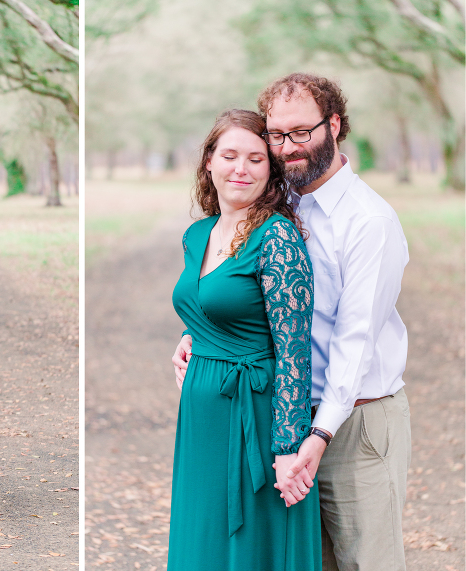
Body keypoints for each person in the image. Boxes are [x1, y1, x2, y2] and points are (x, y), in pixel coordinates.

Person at [174, 73, 411, 571]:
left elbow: (355, 342)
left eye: (301, 132)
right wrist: (200, 333)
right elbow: (246, 295)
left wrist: (315, 438)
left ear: (335, 125)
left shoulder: (369, 221)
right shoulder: (282, 200)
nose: (288, 146)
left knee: (366, 562)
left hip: (352, 423)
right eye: (277, 135)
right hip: (286, 415)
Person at [168, 108, 320, 570]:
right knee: (204, 541)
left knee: (253, 550)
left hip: (255, 412)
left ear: (271, 169)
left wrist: (288, 448)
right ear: (209, 162)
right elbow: (212, 303)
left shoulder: (277, 238)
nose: (241, 168)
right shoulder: (198, 234)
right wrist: (192, 334)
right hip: (202, 416)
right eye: (230, 155)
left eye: (256, 158)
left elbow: (295, 351)